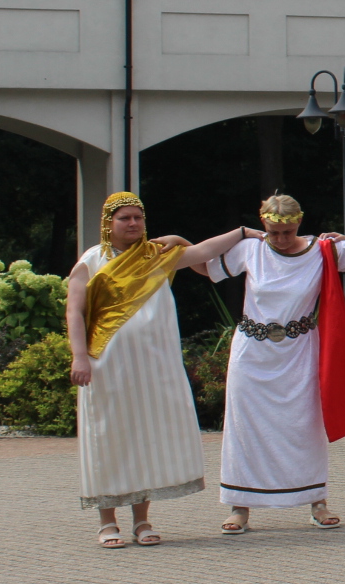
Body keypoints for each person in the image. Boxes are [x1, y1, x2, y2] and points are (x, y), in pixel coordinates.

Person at [202, 195, 345, 534]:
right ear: (264, 223)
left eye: (288, 231)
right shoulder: (250, 249)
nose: (281, 239)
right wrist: (233, 235)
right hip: (252, 353)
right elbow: (202, 264)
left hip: (299, 352)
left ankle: (317, 502)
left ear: (299, 223)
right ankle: (240, 505)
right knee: (245, 427)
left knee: (304, 424)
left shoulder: (320, 250)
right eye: (274, 232)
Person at [65, 193, 251, 547]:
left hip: (151, 364)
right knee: (109, 436)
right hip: (106, 363)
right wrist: (79, 356)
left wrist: (243, 232)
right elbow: (75, 311)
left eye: (137, 217)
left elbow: (204, 252)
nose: (133, 224)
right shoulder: (92, 259)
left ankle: (141, 520)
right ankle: (107, 522)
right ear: (109, 223)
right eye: (125, 219)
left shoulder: (155, 255)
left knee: (144, 435)